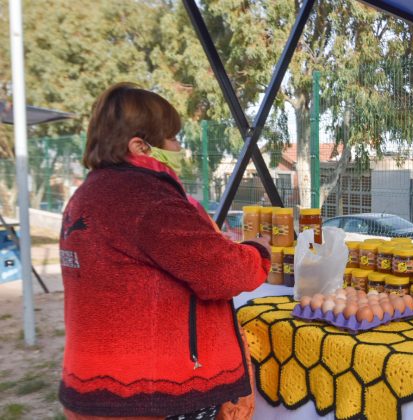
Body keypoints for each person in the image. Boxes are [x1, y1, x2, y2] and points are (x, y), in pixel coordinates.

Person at [59, 83, 271, 419]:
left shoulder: (86, 194)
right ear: (140, 145)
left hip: (95, 383)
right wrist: (258, 252)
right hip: (147, 394)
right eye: (171, 138)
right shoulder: (146, 198)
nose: (177, 147)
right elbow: (222, 272)